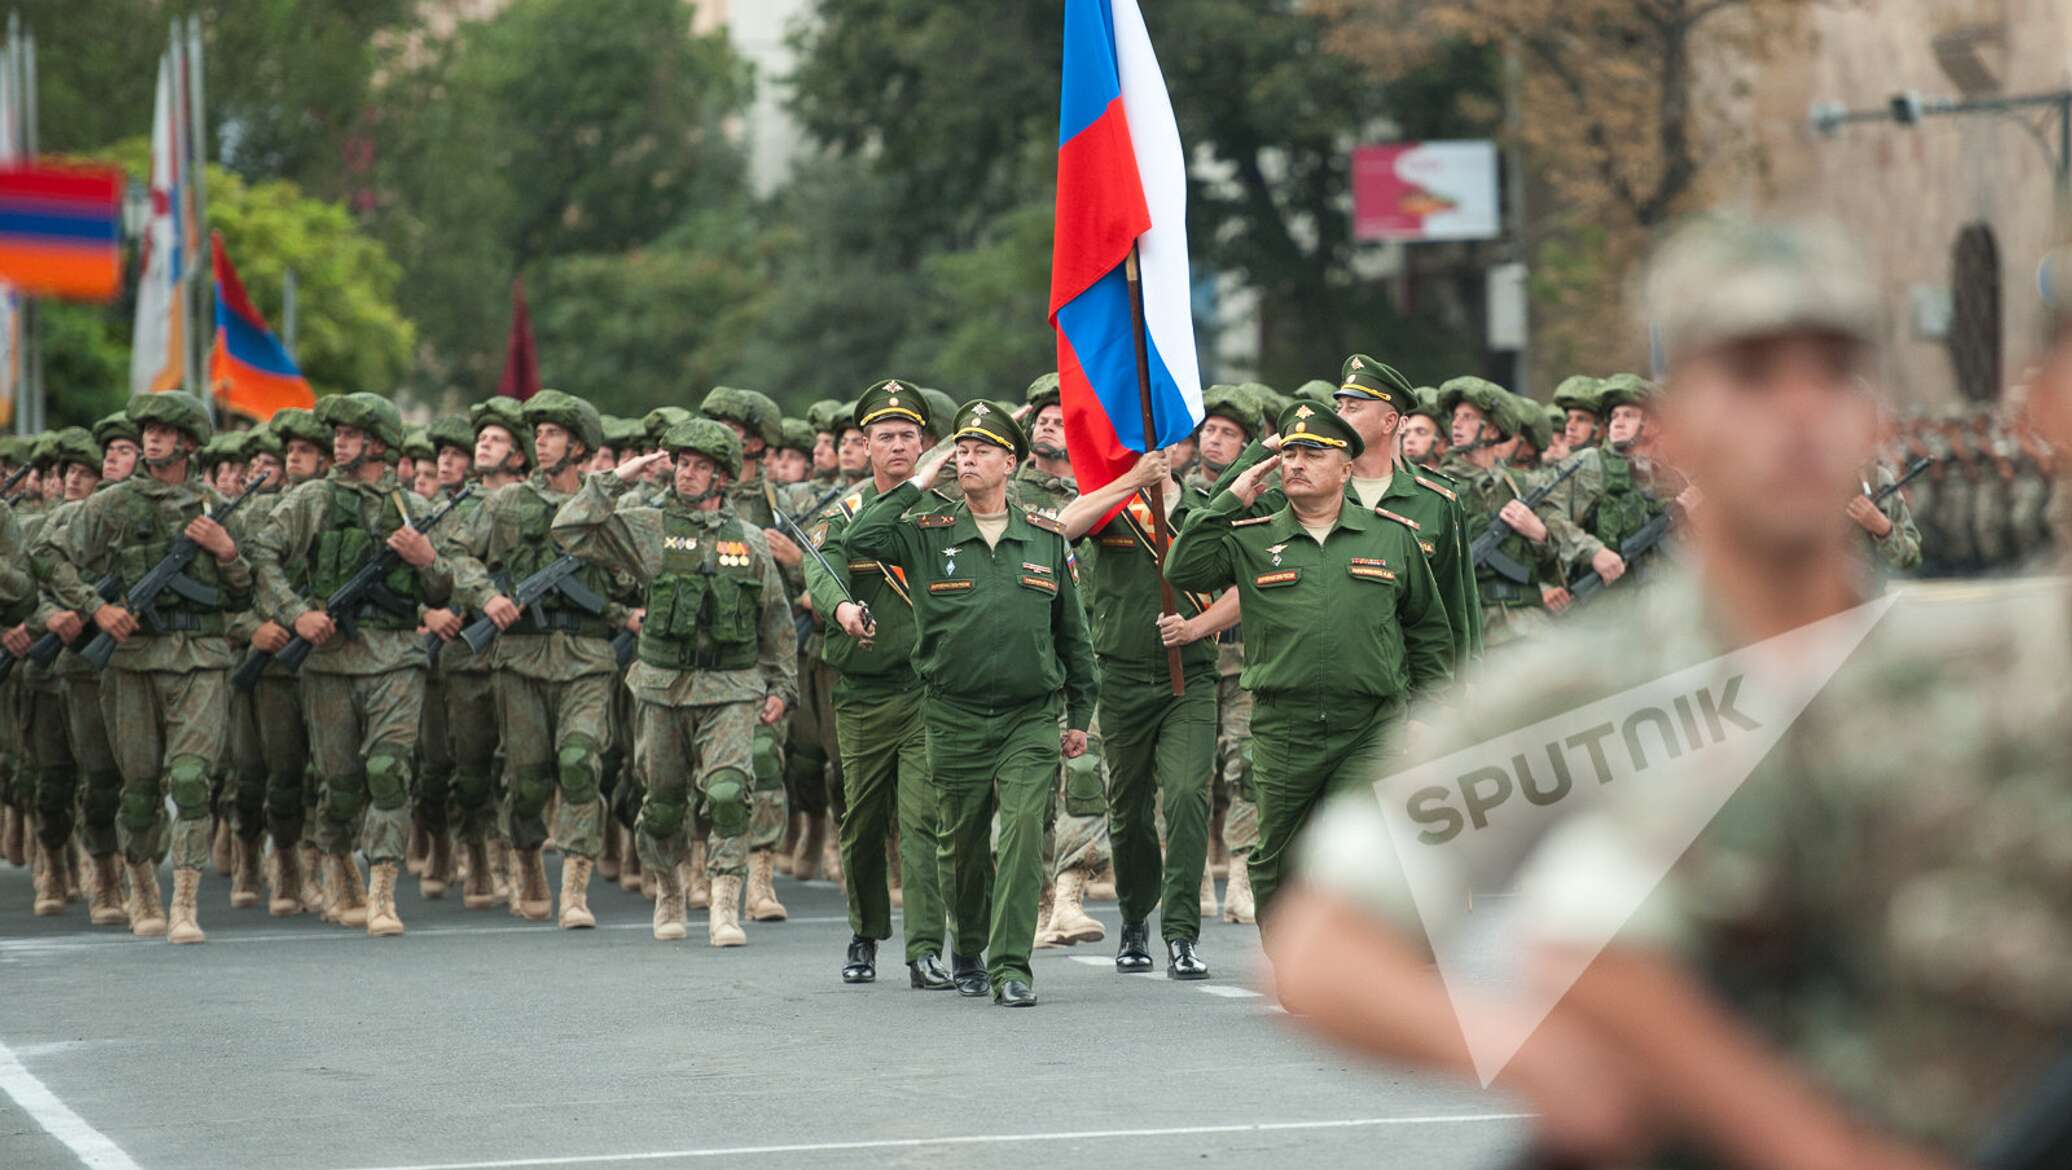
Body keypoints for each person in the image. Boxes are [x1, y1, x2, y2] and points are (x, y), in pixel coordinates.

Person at [1273, 215, 2064, 1170]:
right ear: (1677, 425)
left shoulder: (1988, 662)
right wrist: (1551, 1059)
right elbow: (1328, 947)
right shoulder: (1576, 689)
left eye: (1833, 373)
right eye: (1752, 375)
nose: (1800, 411)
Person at [842, 399, 1099, 1006]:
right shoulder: (928, 533)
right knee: (961, 848)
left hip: (1028, 716)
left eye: (982, 449)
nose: (968, 458)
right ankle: (968, 947)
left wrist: (1080, 715)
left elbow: (1073, 635)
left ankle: (1012, 967)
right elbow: (860, 536)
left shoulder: (1044, 537)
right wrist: (920, 480)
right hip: (952, 714)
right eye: (960, 448)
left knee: (1019, 839)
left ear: (1010, 462)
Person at [1165, 401, 1453, 926]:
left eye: (1313, 454)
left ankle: (1355, 969)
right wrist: (1232, 495)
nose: (1296, 463)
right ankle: (1292, 964)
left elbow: (1428, 631)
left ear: (1346, 468)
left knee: (1362, 848)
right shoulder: (1253, 536)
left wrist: (1427, 713)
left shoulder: (1391, 536)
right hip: (1285, 724)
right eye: (1290, 453)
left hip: (1369, 726)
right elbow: (1183, 566)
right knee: (1278, 856)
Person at [552, 418, 796, 946]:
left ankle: (726, 904)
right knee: (662, 802)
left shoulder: (751, 540)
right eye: (683, 464)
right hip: (663, 686)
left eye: (701, 466)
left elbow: (776, 622)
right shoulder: (649, 528)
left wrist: (781, 689)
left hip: (731, 689)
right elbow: (570, 529)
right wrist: (620, 475)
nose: (688, 474)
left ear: (723, 478)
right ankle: (670, 889)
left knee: (730, 792)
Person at [42, 392, 251, 944]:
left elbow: (247, 590)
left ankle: (185, 901)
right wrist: (96, 608)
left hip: (201, 659)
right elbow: (50, 551)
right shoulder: (116, 503)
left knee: (190, 780)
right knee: (137, 788)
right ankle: (141, 890)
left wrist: (227, 551)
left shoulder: (214, 507)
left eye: (162, 432)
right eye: (147, 432)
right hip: (133, 662)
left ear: (187, 442)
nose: (150, 439)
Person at [248, 392, 454, 938]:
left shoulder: (414, 508)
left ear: (379, 444)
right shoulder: (312, 499)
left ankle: (384, 891)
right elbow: (261, 554)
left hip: (395, 659)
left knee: (389, 772)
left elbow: (442, 587)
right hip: (331, 661)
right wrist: (297, 615)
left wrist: (427, 559)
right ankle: (340, 869)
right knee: (339, 783)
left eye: (349, 433)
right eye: (335, 433)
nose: (337, 441)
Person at [444, 390, 632, 928]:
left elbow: (632, 574)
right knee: (527, 777)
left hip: (588, 658)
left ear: (578, 447)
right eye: (538, 432)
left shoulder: (601, 508)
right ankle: (526, 862)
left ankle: (575, 888)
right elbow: (455, 552)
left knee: (579, 763)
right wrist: (487, 597)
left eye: (551, 433)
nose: (540, 441)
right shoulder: (506, 505)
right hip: (521, 656)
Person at [803, 378, 952, 988]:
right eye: (885, 437)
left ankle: (924, 949)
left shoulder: (944, 511)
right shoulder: (843, 515)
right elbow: (822, 576)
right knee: (862, 823)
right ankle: (865, 932)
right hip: (863, 693)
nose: (897, 446)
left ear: (926, 443)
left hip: (926, 692)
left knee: (921, 822)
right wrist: (842, 611)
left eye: (908, 436)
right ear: (864, 446)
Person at [1011, 372, 1113, 945]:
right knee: (1025, 792)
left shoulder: (1105, 491)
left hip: (1083, 661)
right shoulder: (1003, 492)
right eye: (1042, 417)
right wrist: (1014, 423)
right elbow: (942, 470)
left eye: (1063, 418)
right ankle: (1039, 903)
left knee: (1083, 777)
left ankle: (1070, 899)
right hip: (1021, 660)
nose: (1051, 423)